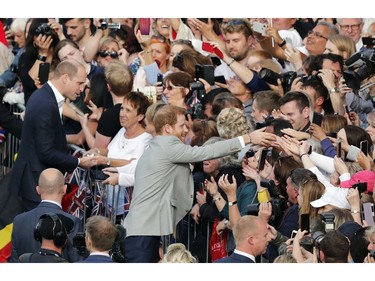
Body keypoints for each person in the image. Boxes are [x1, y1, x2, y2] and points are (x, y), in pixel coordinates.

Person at [123, 104, 276, 263]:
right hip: (144, 230)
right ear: (167, 128)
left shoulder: (160, 146)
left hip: (146, 228)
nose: (185, 130)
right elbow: (206, 152)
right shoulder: (167, 146)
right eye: (181, 126)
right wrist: (248, 138)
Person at [9, 59, 98, 211]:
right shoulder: (45, 102)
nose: (82, 89)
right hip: (36, 184)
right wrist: (78, 162)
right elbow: (46, 152)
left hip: (37, 180)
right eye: (79, 83)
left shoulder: (46, 97)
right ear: (65, 78)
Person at [10, 168, 82, 263]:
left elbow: (15, 262)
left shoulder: (19, 220)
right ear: (64, 189)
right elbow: (78, 261)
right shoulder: (72, 222)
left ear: (38, 190)